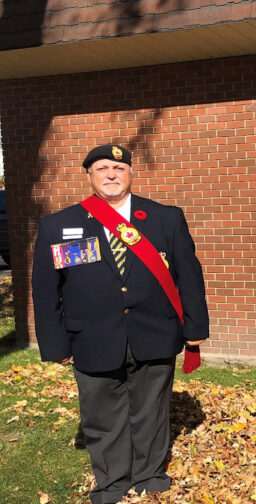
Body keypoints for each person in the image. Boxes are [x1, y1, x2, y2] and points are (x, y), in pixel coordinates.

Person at [32, 144, 209, 503]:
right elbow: (46, 290)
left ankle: (150, 474)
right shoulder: (58, 224)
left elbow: (189, 277)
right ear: (89, 176)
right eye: (102, 168)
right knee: (101, 414)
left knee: (152, 410)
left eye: (118, 167)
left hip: (155, 332)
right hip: (91, 337)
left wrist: (194, 330)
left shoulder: (165, 218)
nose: (111, 174)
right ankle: (113, 482)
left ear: (131, 172)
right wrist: (55, 344)